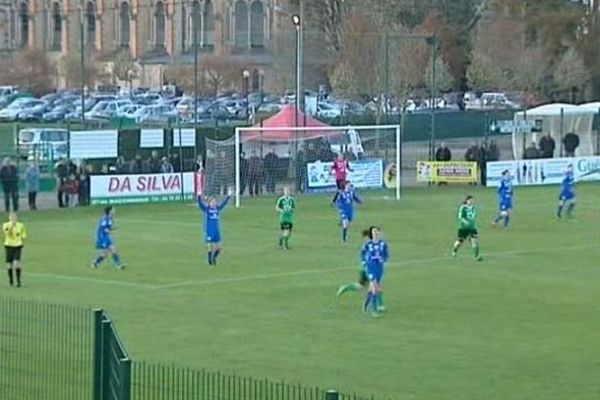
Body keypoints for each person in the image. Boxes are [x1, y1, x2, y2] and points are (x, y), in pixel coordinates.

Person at [198, 187, 232, 265]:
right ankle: (210, 259)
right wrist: (199, 195)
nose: (213, 203)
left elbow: (224, 204)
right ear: (209, 203)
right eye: (212, 202)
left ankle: (214, 257)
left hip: (217, 231)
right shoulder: (207, 209)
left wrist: (229, 195)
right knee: (209, 246)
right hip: (209, 230)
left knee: (219, 248)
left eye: (214, 201)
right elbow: (200, 204)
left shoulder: (217, 208)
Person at [361, 226, 389, 317]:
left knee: (374, 288)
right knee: (375, 288)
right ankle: (374, 310)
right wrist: (364, 262)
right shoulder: (368, 244)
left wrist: (383, 259)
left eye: (377, 232)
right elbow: (362, 253)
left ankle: (365, 304)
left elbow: (386, 254)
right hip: (370, 267)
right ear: (371, 234)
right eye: (374, 232)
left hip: (379, 268)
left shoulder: (383, 244)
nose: (375, 233)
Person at [452, 195, 482, 261]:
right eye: (470, 200)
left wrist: (472, 224)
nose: (471, 201)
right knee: (460, 242)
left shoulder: (473, 208)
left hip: (472, 228)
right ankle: (454, 251)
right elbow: (460, 217)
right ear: (466, 201)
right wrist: (465, 222)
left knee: (475, 241)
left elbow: (473, 217)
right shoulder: (463, 207)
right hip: (463, 228)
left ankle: (476, 256)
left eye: (472, 200)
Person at [4, 212, 26, 287]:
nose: (13, 219)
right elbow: (7, 234)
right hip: (9, 245)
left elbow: (23, 234)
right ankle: (11, 280)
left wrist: (22, 238)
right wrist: (11, 226)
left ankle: (18, 281)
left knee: (17, 263)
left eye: (15, 217)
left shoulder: (21, 225)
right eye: (12, 217)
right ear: (9, 218)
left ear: (17, 218)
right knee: (9, 264)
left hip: (18, 246)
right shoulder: (5, 225)